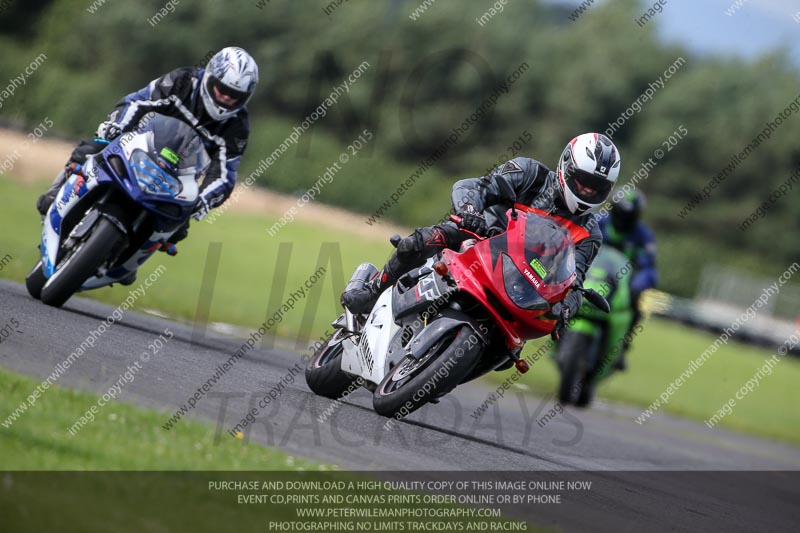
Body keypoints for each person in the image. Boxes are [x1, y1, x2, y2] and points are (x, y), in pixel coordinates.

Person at [341, 133, 622, 338]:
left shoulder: (589, 233)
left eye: (596, 187)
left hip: (522, 283)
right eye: (582, 182)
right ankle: (372, 290)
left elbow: (576, 277)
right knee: (423, 240)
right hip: (479, 240)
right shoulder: (529, 173)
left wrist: (569, 305)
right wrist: (469, 210)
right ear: (566, 167)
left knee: (519, 340)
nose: (586, 192)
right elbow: (475, 186)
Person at [36, 46, 258, 236]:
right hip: (140, 147)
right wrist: (117, 126)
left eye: (235, 96)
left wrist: (203, 199)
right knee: (92, 148)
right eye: (223, 89)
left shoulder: (238, 126)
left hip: (179, 177)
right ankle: (57, 193)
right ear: (210, 77)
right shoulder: (183, 81)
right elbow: (138, 101)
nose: (227, 98)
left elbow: (225, 174)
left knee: (179, 227)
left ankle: (127, 258)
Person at [596, 190, 657, 369]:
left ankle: (622, 345)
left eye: (629, 216)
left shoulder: (643, 235)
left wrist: (636, 286)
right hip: (592, 274)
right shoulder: (598, 221)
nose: (623, 220)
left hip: (622, 283)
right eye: (621, 214)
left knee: (638, 303)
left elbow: (649, 267)